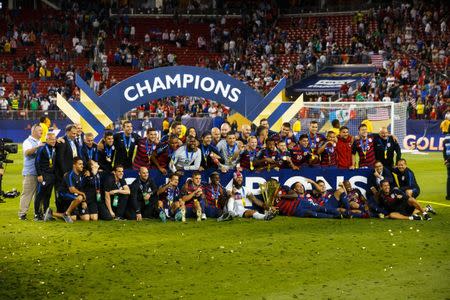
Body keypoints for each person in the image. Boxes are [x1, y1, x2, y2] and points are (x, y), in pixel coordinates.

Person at [18, 124, 43, 220]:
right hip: (30, 172)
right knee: (27, 194)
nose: (41, 132)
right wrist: (37, 147)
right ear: (33, 132)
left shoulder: (39, 141)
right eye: (39, 130)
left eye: (41, 130)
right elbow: (27, 153)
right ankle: (22, 214)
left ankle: (38, 212)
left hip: (39, 172)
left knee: (39, 194)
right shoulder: (27, 142)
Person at [53, 157, 89, 223]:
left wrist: (84, 201)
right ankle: (67, 214)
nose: (82, 166)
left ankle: (53, 213)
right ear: (74, 165)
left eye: (82, 164)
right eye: (80, 164)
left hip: (73, 196)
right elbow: (72, 190)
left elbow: (80, 189)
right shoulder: (69, 175)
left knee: (86, 218)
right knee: (74, 217)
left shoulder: (81, 174)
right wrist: (82, 194)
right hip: (63, 195)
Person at [34, 132, 56, 221]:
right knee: (40, 195)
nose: (53, 141)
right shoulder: (42, 149)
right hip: (43, 175)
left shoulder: (54, 148)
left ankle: (46, 214)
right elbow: (37, 162)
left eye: (54, 139)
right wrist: (39, 175)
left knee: (48, 195)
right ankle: (36, 214)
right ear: (47, 140)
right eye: (51, 139)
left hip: (51, 176)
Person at [55, 124, 80, 190]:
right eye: (73, 133)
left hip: (73, 170)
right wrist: (64, 172)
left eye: (75, 133)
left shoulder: (74, 141)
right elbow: (60, 158)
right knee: (63, 192)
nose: (75, 135)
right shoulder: (62, 141)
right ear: (67, 132)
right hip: (64, 172)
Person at [443, 132, 450, 200]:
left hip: (448, 161)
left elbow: (444, 150)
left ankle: (448, 195)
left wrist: (446, 160)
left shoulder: (446, 138)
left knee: (449, 178)